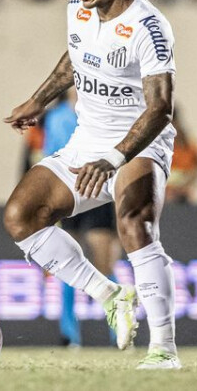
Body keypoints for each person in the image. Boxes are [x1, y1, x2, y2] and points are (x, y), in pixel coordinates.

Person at [3, 0, 181, 370]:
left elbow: (160, 109)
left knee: (134, 223)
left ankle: (163, 348)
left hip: (138, 145)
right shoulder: (77, 11)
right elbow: (74, 58)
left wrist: (115, 158)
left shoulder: (149, 27)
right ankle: (109, 294)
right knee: (20, 216)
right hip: (87, 143)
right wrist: (38, 100)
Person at [42, 88, 121, 348]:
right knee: (68, 264)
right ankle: (69, 334)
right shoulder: (56, 117)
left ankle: (119, 327)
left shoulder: (101, 112)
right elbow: (50, 157)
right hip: (68, 193)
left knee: (103, 263)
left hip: (98, 192)